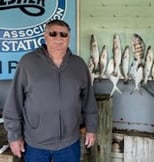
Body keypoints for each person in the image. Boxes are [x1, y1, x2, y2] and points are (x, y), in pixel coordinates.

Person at [3, 19, 98, 162]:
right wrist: (14, 136)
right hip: (35, 144)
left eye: (63, 34)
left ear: (69, 38)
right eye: (53, 33)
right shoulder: (28, 63)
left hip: (69, 143)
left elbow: (89, 101)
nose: (58, 38)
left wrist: (91, 128)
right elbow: (13, 103)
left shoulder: (78, 65)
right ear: (45, 37)